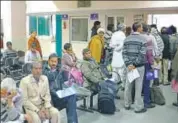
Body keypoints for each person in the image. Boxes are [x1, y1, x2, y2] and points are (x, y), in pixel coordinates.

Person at [43, 53, 78, 123]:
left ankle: (72, 121)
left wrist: (66, 73)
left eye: (55, 62)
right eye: (52, 61)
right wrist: (58, 71)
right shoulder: (44, 70)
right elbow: (49, 78)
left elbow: (63, 82)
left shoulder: (59, 70)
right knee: (70, 99)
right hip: (50, 98)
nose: (53, 63)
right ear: (48, 61)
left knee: (72, 96)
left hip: (59, 95)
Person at [122, 22, 147, 113]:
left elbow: (124, 53)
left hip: (129, 67)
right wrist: (135, 64)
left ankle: (127, 104)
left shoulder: (126, 39)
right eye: (141, 27)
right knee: (138, 87)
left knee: (128, 85)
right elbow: (142, 54)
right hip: (139, 67)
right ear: (138, 28)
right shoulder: (143, 39)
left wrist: (129, 64)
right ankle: (138, 107)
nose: (142, 28)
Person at [141, 23, 155, 108]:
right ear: (148, 30)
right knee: (148, 81)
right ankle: (147, 101)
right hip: (148, 63)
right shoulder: (149, 38)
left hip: (137, 64)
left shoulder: (135, 37)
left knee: (137, 83)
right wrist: (153, 64)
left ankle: (136, 100)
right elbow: (150, 53)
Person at [110, 23, 127, 90]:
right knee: (122, 73)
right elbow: (123, 45)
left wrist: (115, 48)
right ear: (123, 29)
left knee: (114, 74)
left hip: (115, 56)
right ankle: (124, 86)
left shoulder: (114, 34)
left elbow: (111, 45)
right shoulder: (123, 35)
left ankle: (112, 88)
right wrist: (118, 48)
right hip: (121, 56)